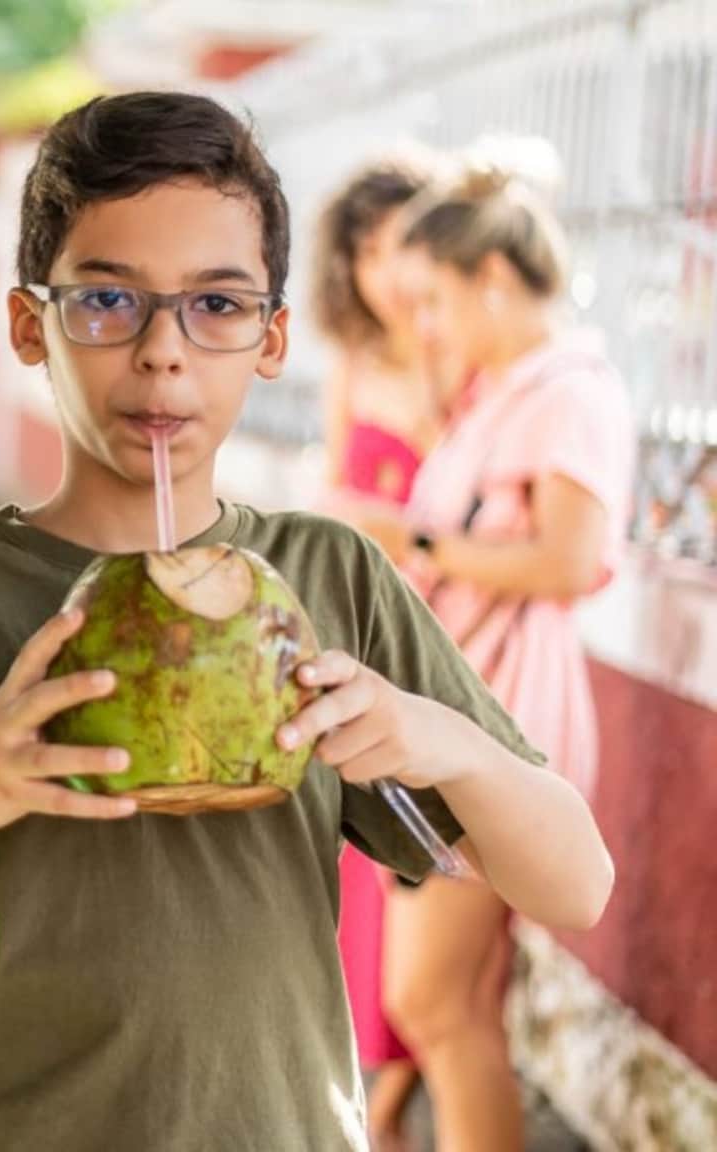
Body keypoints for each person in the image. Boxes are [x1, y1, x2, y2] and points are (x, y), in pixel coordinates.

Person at [0, 91, 613, 1152]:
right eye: (105, 301)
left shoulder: (326, 578)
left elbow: (576, 886)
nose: (161, 353)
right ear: (25, 325)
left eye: (216, 306)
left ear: (271, 338)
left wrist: (443, 741)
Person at [350, 152, 635, 1152]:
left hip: (499, 723)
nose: (426, 328)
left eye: (436, 301)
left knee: (431, 1003)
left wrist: (410, 541)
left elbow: (567, 559)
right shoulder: (505, 393)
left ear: (494, 280)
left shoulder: (566, 394)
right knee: (452, 1006)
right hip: (461, 713)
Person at [308, 148, 450, 1152]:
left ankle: (396, 1094)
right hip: (364, 632)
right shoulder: (351, 365)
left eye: (399, 241)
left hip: (442, 643)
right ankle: (373, 1089)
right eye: (363, 248)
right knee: (360, 869)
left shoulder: (458, 361)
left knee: (431, 868)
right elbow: (330, 496)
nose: (383, 267)